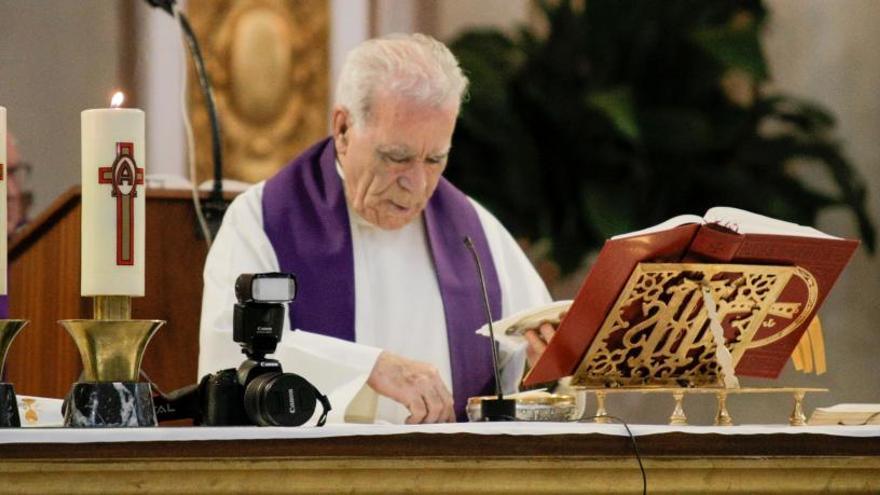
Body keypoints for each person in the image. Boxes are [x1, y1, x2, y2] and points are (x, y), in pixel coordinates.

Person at [199, 33, 554, 424]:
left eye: (435, 159)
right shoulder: (263, 220)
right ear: (343, 129)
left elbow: (527, 370)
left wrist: (541, 362)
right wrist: (367, 368)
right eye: (397, 157)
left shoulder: (474, 233)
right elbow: (228, 367)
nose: (417, 184)